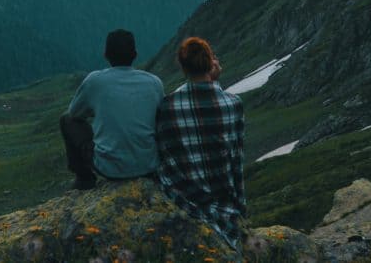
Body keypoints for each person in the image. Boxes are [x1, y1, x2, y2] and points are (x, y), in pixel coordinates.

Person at [156, 37, 246, 249]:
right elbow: (237, 163)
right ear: (211, 63)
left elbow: (163, 158)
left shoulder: (167, 107)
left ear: (183, 67)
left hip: (187, 206)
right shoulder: (233, 104)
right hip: (226, 210)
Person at [60, 29, 164, 190]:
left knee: (67, 120)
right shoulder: (154, 82)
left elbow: (75, 113)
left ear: (106, 55)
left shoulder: (95, 81)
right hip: (149, 166)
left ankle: (84, 179)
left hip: (110, 169)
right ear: (135, 54)